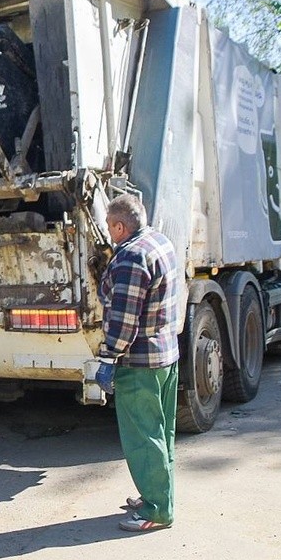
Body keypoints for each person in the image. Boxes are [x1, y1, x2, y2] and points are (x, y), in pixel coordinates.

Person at [94, 193, 180, 533]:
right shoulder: (160, 242)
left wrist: (108, 357)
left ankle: (157, 510)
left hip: (139, 362)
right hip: (165, 356)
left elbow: (124, 319)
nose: (109, 235)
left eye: (109, 228)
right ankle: (159, 495)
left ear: (119, 225)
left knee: (144, 437)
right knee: (161, 434)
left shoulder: (131, 257)